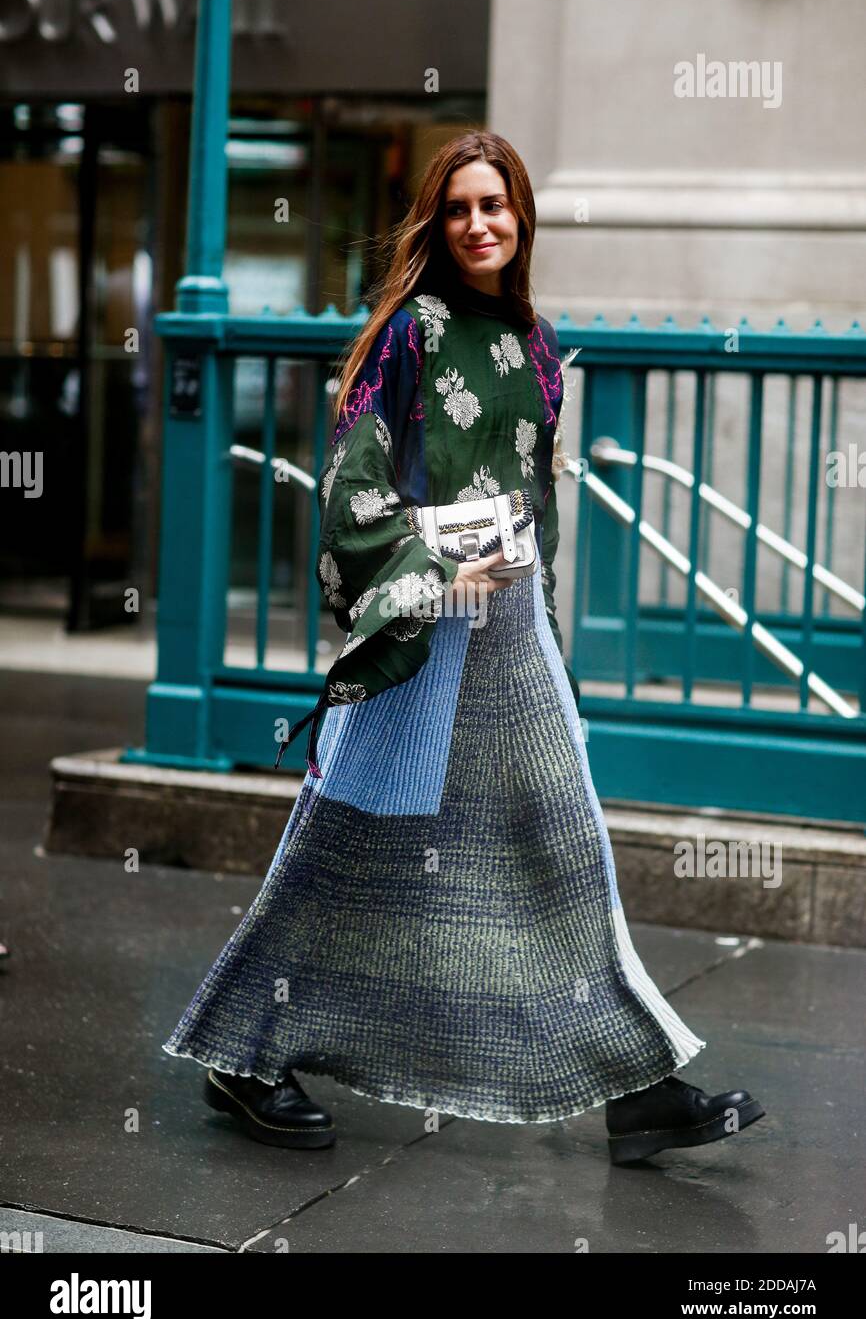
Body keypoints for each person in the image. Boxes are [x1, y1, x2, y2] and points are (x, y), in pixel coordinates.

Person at [162, 131, 765, 1164]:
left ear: (522, 217)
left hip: (512, 634)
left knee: (564, 846)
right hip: (420, 635)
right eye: (458, 209)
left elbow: (536, 501)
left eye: (496, 205)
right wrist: (433, 575)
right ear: (435, 225)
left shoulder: (535, 340)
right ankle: (243, 1051)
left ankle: (636, 1086)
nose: (479, 224)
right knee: (342, 849)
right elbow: (351, 487)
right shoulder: (408, 333)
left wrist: (549, 641)